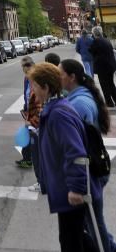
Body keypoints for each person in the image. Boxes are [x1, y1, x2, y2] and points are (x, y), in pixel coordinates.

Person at [29, 62, 102, 252]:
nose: (32, 90)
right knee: (77, 238)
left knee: (70, 242)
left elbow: (76, 153)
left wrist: (76, 189)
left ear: (45, 87)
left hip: (71, 191)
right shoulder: (56, 108)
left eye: (34, 85)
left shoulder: (58, 114)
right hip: (65, 188)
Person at [59, 59, 115, 252]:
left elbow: (79, 148)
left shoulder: (79, 104)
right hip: (93, 169)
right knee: (90, 224)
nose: (58, 78)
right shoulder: (79, 97)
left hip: (90, 172)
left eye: (61, 74)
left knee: (94, 225)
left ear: (72, 77)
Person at [89, 26, 116, 107]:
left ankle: (109, 102)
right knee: (111, 84)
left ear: (94, 33)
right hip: (110, 66)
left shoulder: (96, 41)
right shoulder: (106, 40)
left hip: (102, 67)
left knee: (104, 85)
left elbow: (91, 51)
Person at [16, 56, 34, 169]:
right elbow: (27, 95)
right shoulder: (27, 78)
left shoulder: (34, 77)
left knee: (31, 136)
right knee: (28, 135)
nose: (24, 70)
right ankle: (27, 159)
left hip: (34, 113)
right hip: (29, 111)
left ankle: (28, 160)